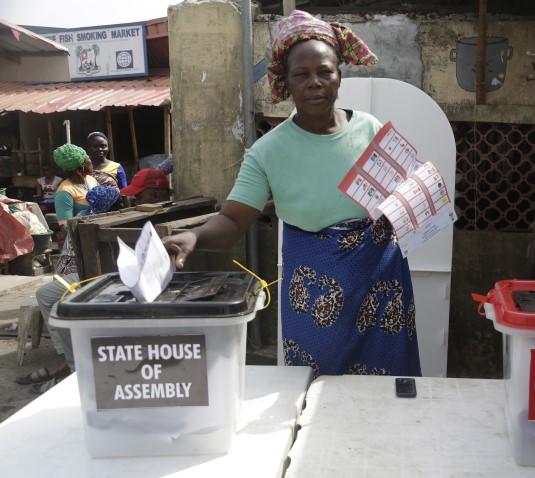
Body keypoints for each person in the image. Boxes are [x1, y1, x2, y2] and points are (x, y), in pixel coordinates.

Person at [163, 10, 420, 378]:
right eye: (302, 75)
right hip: (316, 295)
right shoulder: (268, 152)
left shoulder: (370, 129)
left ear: (339, 77)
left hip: (381, 282)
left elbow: (401, 193)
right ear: (286, 84)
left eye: (324, 71)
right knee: (316, 389)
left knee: (390, 389)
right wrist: (194, 236)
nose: (315, 82)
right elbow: (234, 220)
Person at [18, 185, 121, 394]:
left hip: (99, 275)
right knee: (49, 298)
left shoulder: (107, 218)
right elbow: (70, 255)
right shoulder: (86, 216)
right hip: (81, 273)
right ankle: (67, 361)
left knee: (61, 308)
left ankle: (71, 368)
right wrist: (63, 276)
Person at [52, 143, 98, 225]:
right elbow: (66, 227)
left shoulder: (91, 180)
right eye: (88, 158)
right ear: (81, 167)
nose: (91, 161)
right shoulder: (64, 192)